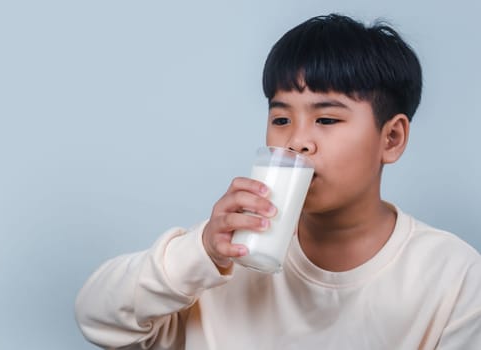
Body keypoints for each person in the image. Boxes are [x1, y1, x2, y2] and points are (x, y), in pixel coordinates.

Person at [75, 14, 481, 349]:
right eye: (281, 119)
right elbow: (97, 319)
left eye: (326, 119)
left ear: (391, 138)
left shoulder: (453, 276)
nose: (296, 142)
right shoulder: (221, 261)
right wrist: (201, 252)